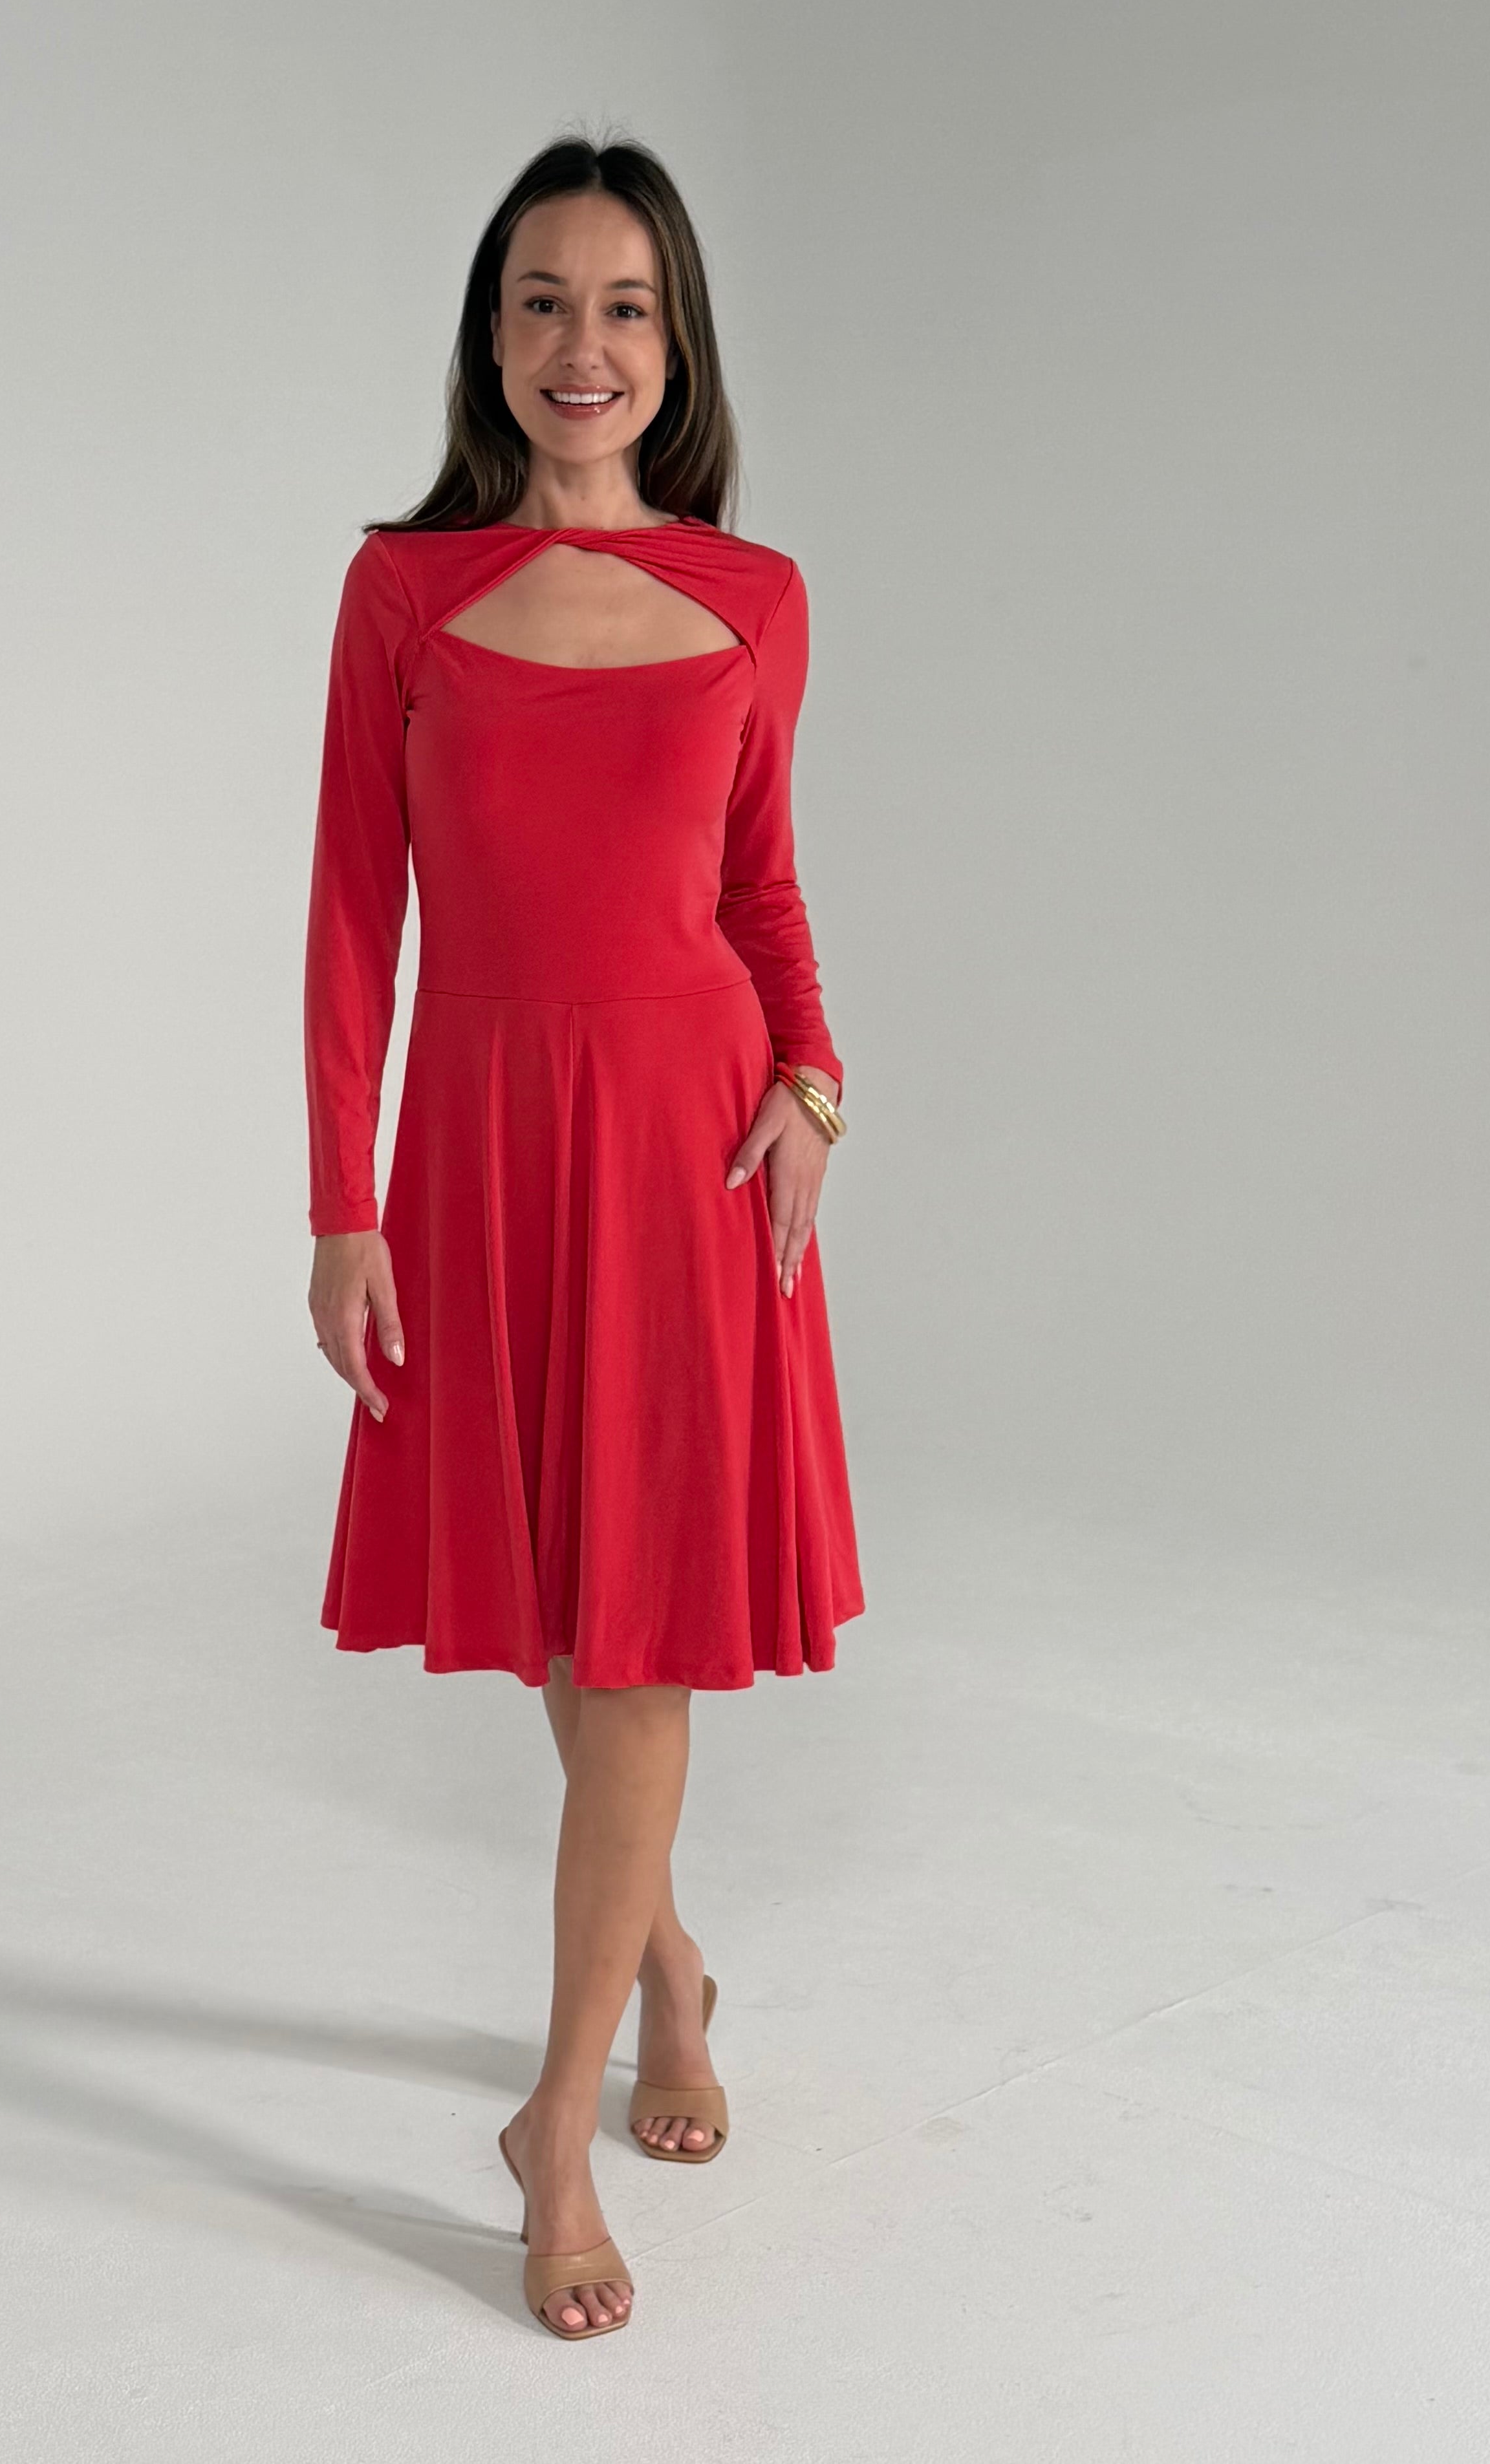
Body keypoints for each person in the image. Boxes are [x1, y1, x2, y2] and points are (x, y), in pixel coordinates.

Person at [301, 133, 864, 2341]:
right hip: (483, 1147)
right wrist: (342, 1205)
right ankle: (675, 1972)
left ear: (679, 341)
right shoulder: (401, 593)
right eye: (542, 300)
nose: (584, 345)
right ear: (490, 333)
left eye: (627, 305)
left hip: (690, 1154)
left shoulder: (756, 596)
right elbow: (355, 917)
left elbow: (761, 886)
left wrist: (816, 1083)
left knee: (634, 1644)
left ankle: (554, 2122)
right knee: (562, 1598)